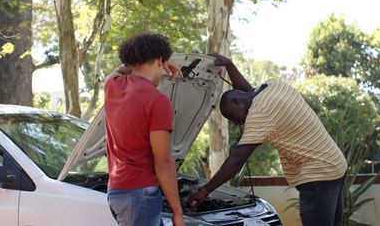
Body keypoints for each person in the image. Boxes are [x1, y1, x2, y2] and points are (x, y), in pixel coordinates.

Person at [187, 53, 347, 226]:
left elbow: (238, 158)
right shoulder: (272, 85)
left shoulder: (260, 114)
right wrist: (230, 65)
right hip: (334, 165)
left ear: (237, 102)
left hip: (319, 175)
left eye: (232, 116)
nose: (236, 123)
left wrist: (204, 191)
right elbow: (249, 92)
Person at [104, 33, 184, 226]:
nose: (163, 71)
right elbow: (163, 162)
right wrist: (177, 212)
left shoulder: (112, 85)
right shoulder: (157, 101)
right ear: (159, 61)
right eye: (162, 64)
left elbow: (119, 70)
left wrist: (155, 57)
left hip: (116, 191)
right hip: (140, 193)